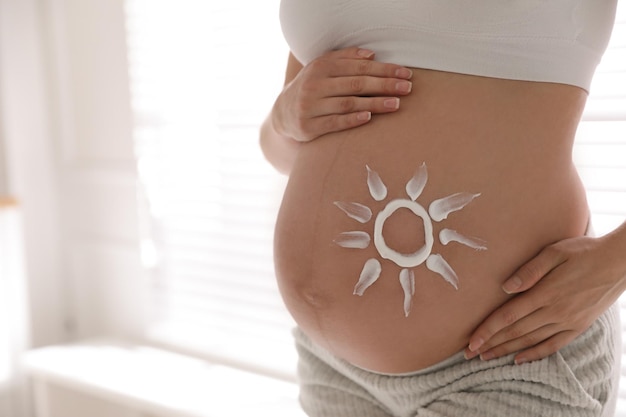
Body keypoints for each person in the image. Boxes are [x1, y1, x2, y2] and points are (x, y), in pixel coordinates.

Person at [260, 1, 625, 416]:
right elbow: (288, 152)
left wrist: (617, 262)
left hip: (508, 362)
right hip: (332, 371)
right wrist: (282, 119)